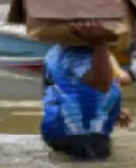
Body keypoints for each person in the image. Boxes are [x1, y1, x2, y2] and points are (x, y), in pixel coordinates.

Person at [41, 21, 131, 160]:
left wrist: (111, 109)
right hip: (81, 135)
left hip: (64, 128)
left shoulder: (57, 51)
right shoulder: (77, 53)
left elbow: (64, 89)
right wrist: (100, 43)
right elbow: (100, 84)